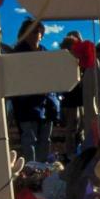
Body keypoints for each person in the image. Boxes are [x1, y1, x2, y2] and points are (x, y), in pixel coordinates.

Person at [10, 19, 60, 162]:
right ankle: (31, 169)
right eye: (31, 31)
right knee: (29, 138)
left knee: (45, 139)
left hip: (47, 103)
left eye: (37, 31)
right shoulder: (17, 54)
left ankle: (42, 169)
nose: (34, 34)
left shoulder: (46, 53)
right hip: (26, 103)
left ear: (42, 34)